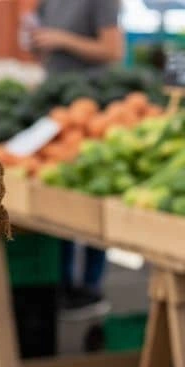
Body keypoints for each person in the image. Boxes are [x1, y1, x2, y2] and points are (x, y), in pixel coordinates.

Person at [31, 0, 123, 319]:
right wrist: (35, 42)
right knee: (60, 198)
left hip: (92, 106)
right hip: (57, 108)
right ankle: (64, 285)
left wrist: (62, 39)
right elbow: (44, 49)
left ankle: (91, 286)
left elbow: (113, 50)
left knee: (94, 195)